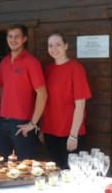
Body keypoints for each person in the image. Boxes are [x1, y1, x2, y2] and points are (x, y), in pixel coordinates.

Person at [39, 33, 91, 169]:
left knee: (70, 173)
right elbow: (44, 101)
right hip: (50, 131)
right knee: (55, 172)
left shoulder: (76, 68)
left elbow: (80, 105)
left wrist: (73, 135)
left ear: (66, 46)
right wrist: (42, 129)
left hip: (69, 133)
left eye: (58, 44)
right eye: (50, 45)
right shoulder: (48, 69)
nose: (54, 48)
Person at [0, 24, 47, 160]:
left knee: (24, 167)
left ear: (24, 39)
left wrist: (33, 124)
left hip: (22, 124)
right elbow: (0, 89)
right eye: (10, 36)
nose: (13, 40)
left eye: (17, 37)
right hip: (2, 122)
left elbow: (42, 94)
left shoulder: (31, 62)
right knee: (1, 165)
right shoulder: (4, 62)